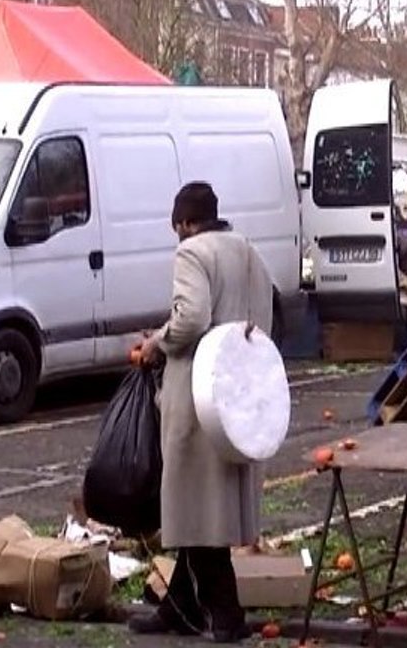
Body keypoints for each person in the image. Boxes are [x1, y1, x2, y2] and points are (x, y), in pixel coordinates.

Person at [131, 182, 274, 643]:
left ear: (186, 223)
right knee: (209, 503)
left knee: (195, 505)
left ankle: (225, 615)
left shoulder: (193, 253)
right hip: (239, 390)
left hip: (198, 395)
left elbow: (191, 317)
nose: (179, 237)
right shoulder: (248, 251)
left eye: (179, 229)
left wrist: (157, 343)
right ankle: (180, 605)